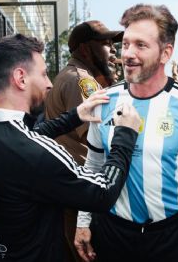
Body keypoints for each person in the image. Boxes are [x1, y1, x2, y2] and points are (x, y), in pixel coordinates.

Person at [0, 33, 141, 262]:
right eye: (43, 74)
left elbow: (17, 146)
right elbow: (102, 192)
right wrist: (125, 134)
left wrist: (75, 116)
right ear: (21, 78)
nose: (49, 83)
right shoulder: (35, 155)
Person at [75, 4, 178, 262]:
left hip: (172, 237)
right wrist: (83, 221)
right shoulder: (104, 100)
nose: (128, 53)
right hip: (112, 234)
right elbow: (94, 164)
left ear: (166, 53)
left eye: (140, 45)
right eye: (126, 44)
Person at [44, 20, 123, 262]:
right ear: (86, 49)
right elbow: (98, 136)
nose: (113, 50)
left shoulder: (79, 76)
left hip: (75, 187)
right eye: (106, 44)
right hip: (80, 188)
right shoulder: (81, 80)